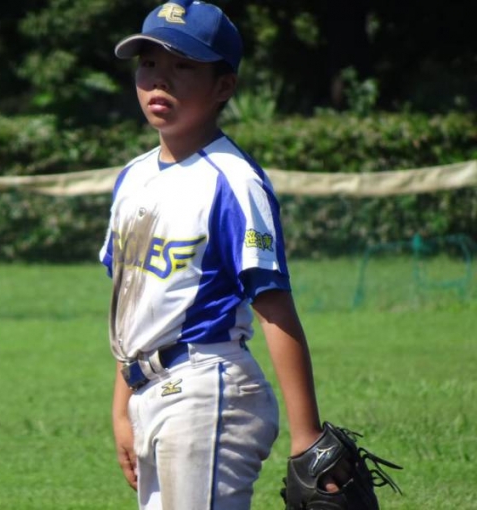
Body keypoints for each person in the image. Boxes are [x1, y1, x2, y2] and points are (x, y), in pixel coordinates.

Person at [99, 1, 341, 508]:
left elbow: (273, 306)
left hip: (206, 389)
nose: (160, 80)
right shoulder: (133, 177)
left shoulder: (234, 181)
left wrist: (307, 437)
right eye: (149, 63)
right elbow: (133, 310)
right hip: (149, 392)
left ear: (224, 87)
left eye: (183, 66)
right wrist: (122, 406)